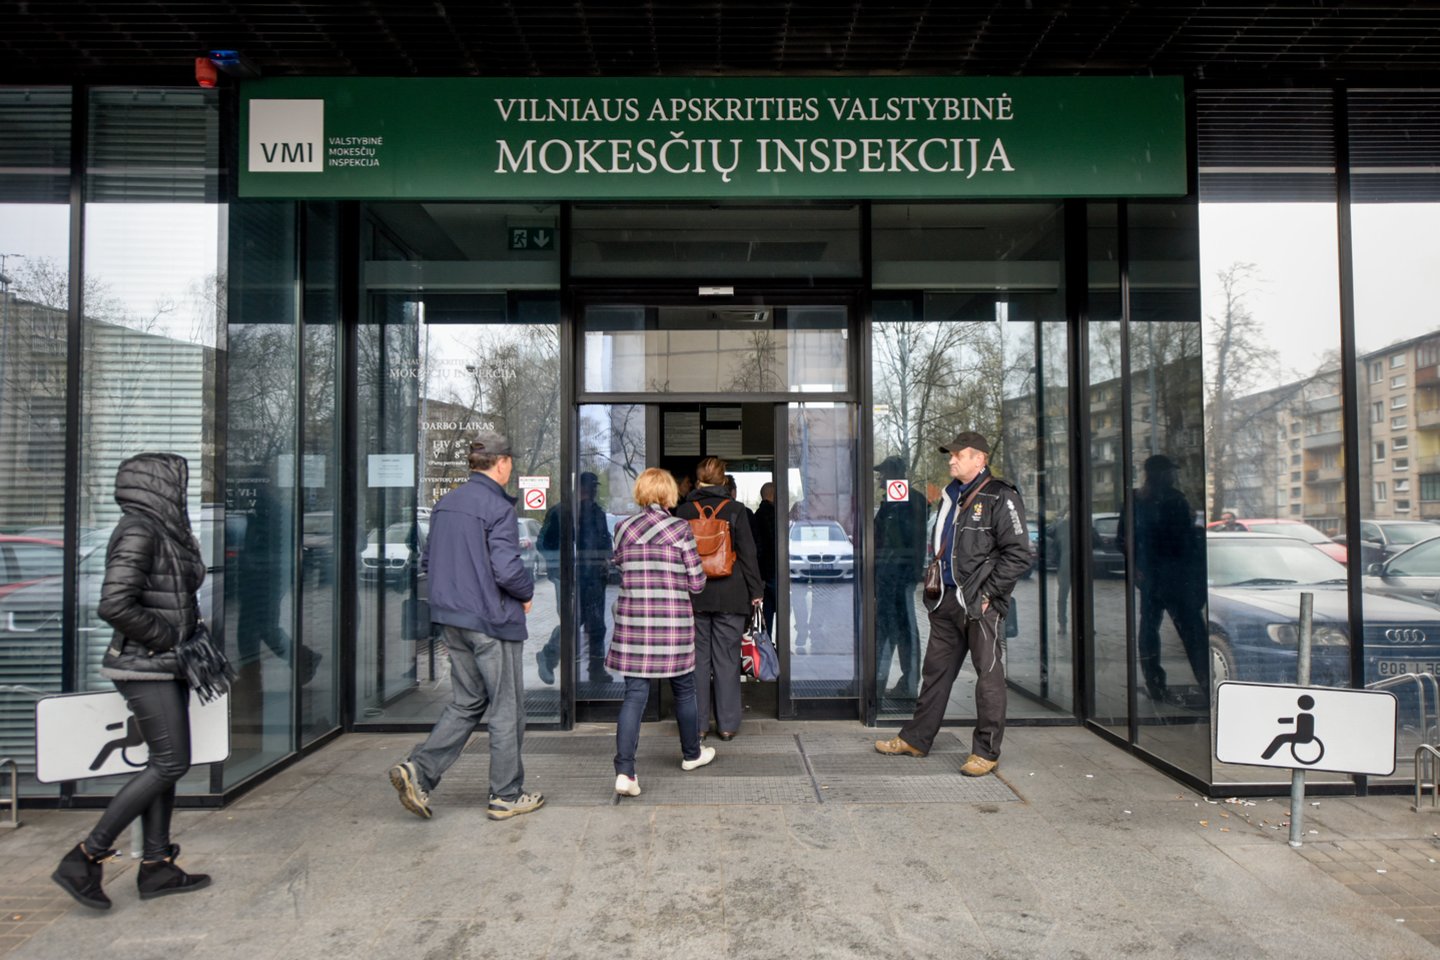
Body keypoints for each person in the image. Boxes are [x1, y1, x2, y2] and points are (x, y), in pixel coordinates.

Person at [53, 453, 212, 910]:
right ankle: (85, 856)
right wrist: (167, 639)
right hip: (146, 666)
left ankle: (157, 865)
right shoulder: (140, 530)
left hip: (167, 664)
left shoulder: (162, 529)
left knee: (165, 764)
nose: (183, 490)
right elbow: (114, 603)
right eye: (177, 482)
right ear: (159, 485)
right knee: (170, 763)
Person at [389, 432, 544, 822]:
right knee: (506, 708)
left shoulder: (445, 504)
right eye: (510, 462)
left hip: (451, 619)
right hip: (490, 621)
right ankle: (506, 794)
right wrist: (526, 593)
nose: (510, 468)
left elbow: (428, 561)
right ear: (502, 463)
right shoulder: (497, 507)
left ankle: (419, 771)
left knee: (468, 701)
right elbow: (507, 569)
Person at [876, 432, 1030, 777]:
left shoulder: (1000, 495)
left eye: (959, 455)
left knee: (988, 677)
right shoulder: (950, 494)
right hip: (945, 601)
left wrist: (988, 594)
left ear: (980, 459)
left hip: (979, 604)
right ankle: (916, 738)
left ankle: (985, 752)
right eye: (951, 455)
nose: (951, 460)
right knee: (934, 673)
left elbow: (1019, 554)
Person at [606, 468, 715, 797]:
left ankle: (625, 772)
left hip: (634, 624)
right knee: (684, 690)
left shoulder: (623, 528)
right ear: (669, 494)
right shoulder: (680, 529)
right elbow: (696, 583)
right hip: (672, 625)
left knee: (634, 696)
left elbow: (620, 566)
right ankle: (691, 754)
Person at [675, 456, 763, 740]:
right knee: (726, 659)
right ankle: (726, 725)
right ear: (724, 480)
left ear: (697, 480)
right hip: (731, 594)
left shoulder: (683, 511)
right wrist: (756, 592)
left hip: (694, 594)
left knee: (697, 661)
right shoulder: (736, 510)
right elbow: (748, 554)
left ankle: (698, 726)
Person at [1122, 454, 1208, 702]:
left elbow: (1124, 539)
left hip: (1152, 577)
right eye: (1170, 471)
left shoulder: (1136, 500)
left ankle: (1155, 683)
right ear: (1161, 474)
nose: (1174, 475)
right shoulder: (1174, 499)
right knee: (1192, 633)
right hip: (1175, 577)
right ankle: (1205, 682)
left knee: (1150, 630)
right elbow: (1183, 541)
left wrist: (1137, 567)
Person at [873, 455, 926, 699]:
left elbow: (906, 543)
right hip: (888, 577)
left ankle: (903, 684)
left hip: (898, 578)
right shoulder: (892, 503)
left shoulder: (909, 502)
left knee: (901, 630)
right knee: (890, 629)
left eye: (883, 474)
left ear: (895, 474)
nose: (880, 479)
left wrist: (907, 575)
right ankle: (879, 683)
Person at [577, 471, 614, 684]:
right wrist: (558, 571)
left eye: (594, 486)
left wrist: (607, 559)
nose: (593, 490)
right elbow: (546, 542)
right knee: (577, 622)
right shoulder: (569, 511)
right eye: (590, 486)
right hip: (579, 577)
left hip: (596, 577)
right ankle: (549, 654)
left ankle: (596, 669)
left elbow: (604, 540)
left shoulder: (597, 512)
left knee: (597, 625)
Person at [750, 481, 778, 637]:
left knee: (767, 609)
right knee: (780, 605)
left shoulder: (757, 515)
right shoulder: (773, 515)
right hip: (773, 569)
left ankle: (766, 640)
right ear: (773, 495)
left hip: (763, 571)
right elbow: (774, 544)